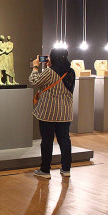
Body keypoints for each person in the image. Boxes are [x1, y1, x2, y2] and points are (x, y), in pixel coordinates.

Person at [29, 48, 75, 178]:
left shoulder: (50, 72)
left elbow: (34, 81)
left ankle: (45, 170)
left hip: (48, 113)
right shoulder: (71, 72)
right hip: (65, 113)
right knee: (64, 140)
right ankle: (66, 169)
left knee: (47, 141)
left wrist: (35, 67)